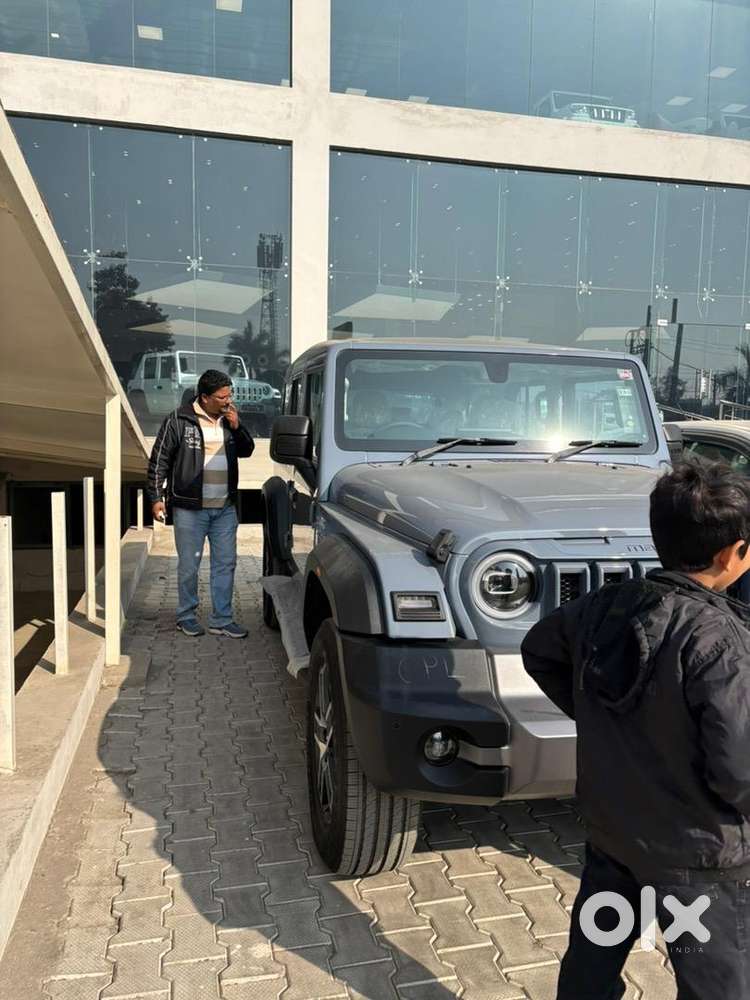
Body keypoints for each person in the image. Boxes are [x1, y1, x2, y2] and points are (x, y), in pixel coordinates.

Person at [521, 460, 750, 1000]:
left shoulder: (603, 607)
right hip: (695, 864)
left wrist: (606, 723)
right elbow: (740, 769)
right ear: (730, 554)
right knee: (716, 985)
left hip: (616, 836)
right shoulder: (721, 642)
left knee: (591, 966)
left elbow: (538, 650)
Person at [147, 369, 254, 638]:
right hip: (189, 509)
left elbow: (247, 450)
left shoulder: (229, 419)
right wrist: (156, 498)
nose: (228, 400)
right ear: (204, 397)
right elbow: (159, 460)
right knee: (189, 565)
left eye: (230, 395)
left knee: (225, 563)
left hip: (225, 508)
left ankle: (222, 619)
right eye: (222, 397)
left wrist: (237, 426)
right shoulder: (179, 420)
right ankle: (186, 615)